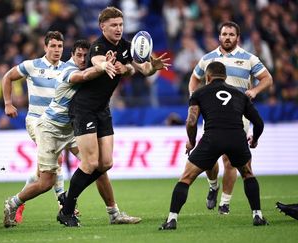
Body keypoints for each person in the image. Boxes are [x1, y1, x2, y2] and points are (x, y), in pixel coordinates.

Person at [3, 40, 141, 228]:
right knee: (45, 183)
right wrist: (102, 66)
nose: (83, 59)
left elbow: (127, 70)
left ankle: (114, 213)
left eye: (86, 55)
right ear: (72, 55)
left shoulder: (96, 68)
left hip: (72, 129)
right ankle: (14, 203)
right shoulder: (68, 70)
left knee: (98, 166)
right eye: (79, 55)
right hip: (50, 129)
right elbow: (83, 76)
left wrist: (126, 67)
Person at [58, 6, 170, 227]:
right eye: (114, 25)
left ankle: (68, 202)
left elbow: (144, 69)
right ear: (103, 27)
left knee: (106, 163)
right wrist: (106, 64)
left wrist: (153, 67)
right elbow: (99, 61)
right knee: (89, 163)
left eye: (121, 24)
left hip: (102, 110)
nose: (119, 29)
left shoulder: (127, 47)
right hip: (84, 109)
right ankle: (68, 209)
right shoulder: (98, 46)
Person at [159, 61, 267, 230]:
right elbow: (259, 123)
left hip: (212, 138)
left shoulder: (198, 93)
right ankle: (258, 215)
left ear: (208, 77)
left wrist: (192, 142)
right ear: (224, 77)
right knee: (248, 174)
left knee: (186, 178)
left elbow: (191, 121)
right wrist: (254, 140)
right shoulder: (240, 95)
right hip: (236, 138)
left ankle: (172, 219)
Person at [188, 21, 273, 214]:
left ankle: (224, 203)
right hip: (213, 114)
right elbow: (194, 78)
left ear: (237, 37)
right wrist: (194, 97)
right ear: (219, 37)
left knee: (230, 160)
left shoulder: (249, 58)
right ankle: (213, 186)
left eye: (231, 34)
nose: (227, 37)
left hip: (239, 115)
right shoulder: (208, 59)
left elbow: (267, 78)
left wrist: (255, 90)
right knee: (210, 160)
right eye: (224, 34)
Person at [2, 31, 69, 223]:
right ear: (45, 47)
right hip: (36, 121)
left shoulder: (67, 69)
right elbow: (7, 77)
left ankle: (17, 203)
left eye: (60, 46)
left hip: (58, 123)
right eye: (53, 46)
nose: (57, 50)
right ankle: (63, 203)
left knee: (42, 173)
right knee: (56, 160)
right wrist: (8, 102)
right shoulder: (32, 66)